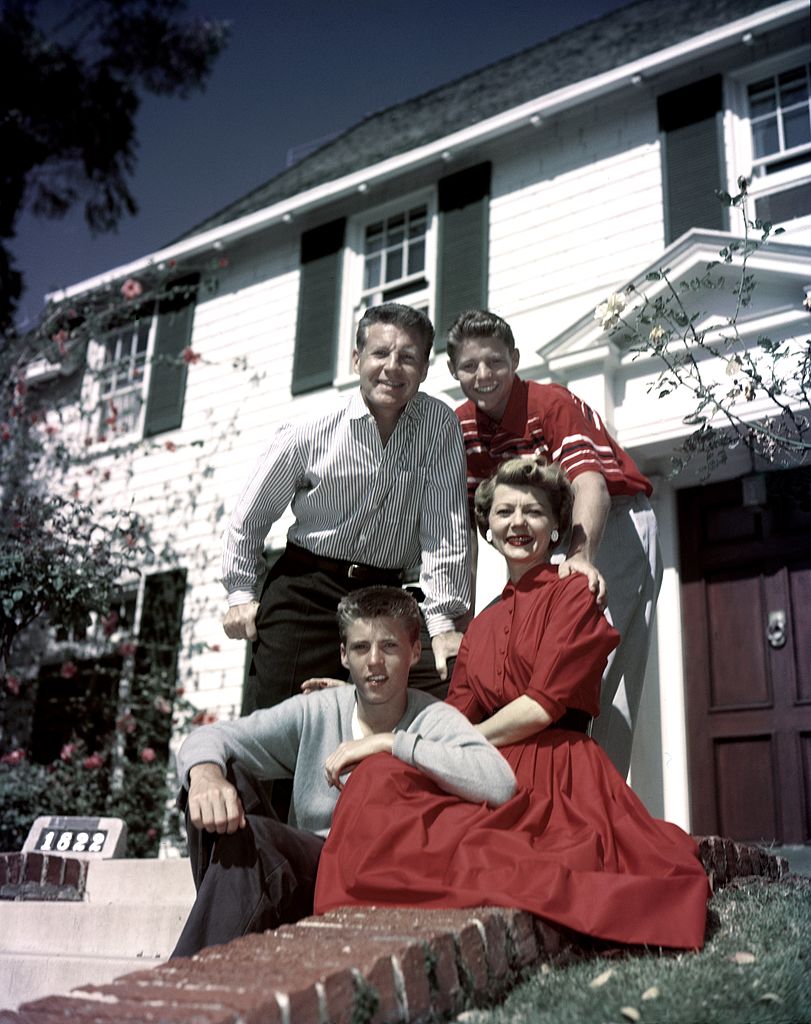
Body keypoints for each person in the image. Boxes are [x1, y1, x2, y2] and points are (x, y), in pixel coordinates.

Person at [315, 460, 710, 951]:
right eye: (504, 512)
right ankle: (345, 914)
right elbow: (451, 719)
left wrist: (406, 742)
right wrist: (354, 700)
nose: (517, 524)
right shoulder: (482, 624)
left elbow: (541, 708)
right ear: (488, 526)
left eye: (534, 512)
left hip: (559, 773)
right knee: (378, 776)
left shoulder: (574, 592)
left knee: (520, 860)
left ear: (556, 526)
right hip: (488, 769)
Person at [171, 586, 516, 957]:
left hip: (369, 878)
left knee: (255, 843)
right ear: (343, 655)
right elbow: (210, 737)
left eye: (389, 646)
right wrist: (206, 777)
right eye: (360, 648)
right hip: (310, 865)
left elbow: (500, 783)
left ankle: (193, 969)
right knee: (218, 776)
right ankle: (210, 959)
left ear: (414, 651)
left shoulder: (433, 718)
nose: (374, 662)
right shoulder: (318, 710)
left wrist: (392, 744)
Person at [221, 302, 471, 721]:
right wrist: (240, 593)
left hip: (384, 596)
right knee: (275, 731)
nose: (393, 367)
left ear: (424, 369)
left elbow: (445, 529)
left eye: (408, 357)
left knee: (370, 736)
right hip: (306, 589)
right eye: (380, 353)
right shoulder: (313, 428)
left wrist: (443, 622)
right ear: (357, 359)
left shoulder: (439, 426)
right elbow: (250, 516)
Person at [446, 309, 662, 778]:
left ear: (515, 360)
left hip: (610, 523)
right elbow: (464, 525)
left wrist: (581, 558)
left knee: (595, 677)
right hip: (552, 535)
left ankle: (600, 805)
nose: (483, 376)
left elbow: (590, 484)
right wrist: (459, 613)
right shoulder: (458, 428)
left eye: (495, 362)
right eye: (469, 366)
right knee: (530, 672)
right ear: (453, 372)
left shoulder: (549, 403)